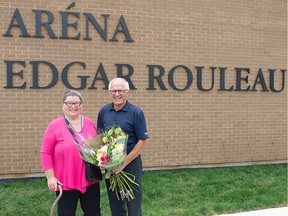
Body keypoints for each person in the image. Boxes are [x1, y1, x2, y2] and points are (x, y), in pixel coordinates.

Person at [41, 90, 101, 216]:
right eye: (69, 103)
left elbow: (97, 146)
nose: (73, 106)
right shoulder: (54, 125)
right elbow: (46, 152)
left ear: (81, 105)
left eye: (77, 103)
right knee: (66, 213)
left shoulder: (89, 122)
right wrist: (50, 177)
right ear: (63, 105)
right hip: (65, 180)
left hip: (89, 179)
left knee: (93, 213)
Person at [97, 77, 149, 216]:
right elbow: (101, 137)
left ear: (127, 92)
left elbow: (143, 141)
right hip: (111, 165)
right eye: (113, 91)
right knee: (115, 201)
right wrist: (103, 158)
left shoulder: (136, 113)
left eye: (120, 90)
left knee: (133, 201)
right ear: (109, 93)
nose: (117, 94)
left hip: (131, 163)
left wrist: (123, 163)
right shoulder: (104, 111)